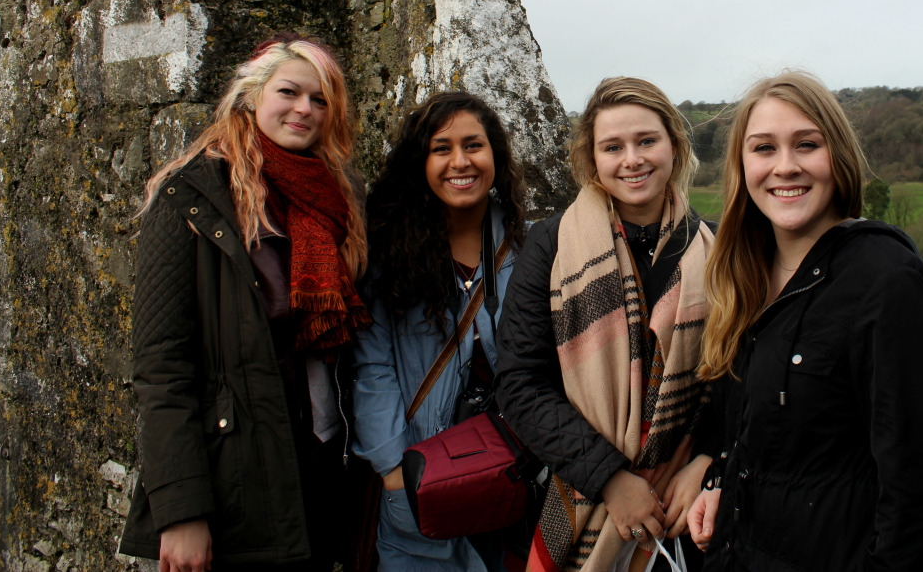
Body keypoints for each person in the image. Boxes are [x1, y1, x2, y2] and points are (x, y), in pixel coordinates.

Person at [686, 71, 923, 571]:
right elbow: (757, 424)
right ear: (742, 165)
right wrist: (721, 479)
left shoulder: (887, 283)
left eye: (806, 144)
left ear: (838, 156)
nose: (785, 167)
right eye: (764, 148)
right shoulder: (742, 274)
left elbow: (918, 491)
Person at [119, 34, 372, 572]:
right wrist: (181, 511)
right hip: (236, 480)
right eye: (290, 91)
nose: (305, 109)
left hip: (322, 462)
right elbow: (162, 367)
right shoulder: (194, 195)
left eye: (321, 99)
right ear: (251, 95)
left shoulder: (340, 198)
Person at [495, 76, 715, 572]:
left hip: (686, 509)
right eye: (612, 146)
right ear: (591, 160)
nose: (631, 159)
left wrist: (707, 463)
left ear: (674, 148)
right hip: (583, 495)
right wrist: (611, 478)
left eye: (646, 141)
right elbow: (520, 380)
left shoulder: (716, 250)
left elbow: (739, 377)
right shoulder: (550, 248)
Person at [352, 92, 529, 571]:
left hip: (511, 473)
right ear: (421, 161)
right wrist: (393, 470)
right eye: (441, 148)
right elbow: (372, 366)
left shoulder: (528, 246)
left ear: (495, 154)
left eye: (474, 145)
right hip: (422, 477)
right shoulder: (389, 252)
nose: (460, 162)